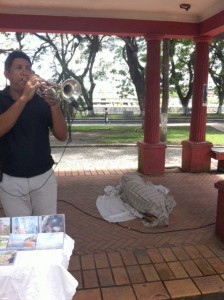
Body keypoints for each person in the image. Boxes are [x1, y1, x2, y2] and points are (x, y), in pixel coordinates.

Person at [0, 50, 68, 217]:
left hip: (44, 177)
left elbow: (62, 136)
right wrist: (24, 98)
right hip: (10, 179)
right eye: (19, 67)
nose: (25, 72)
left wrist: (54, 106)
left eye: (28, 68)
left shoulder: (41, 101)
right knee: (21, 234)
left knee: (47, 232)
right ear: (7, 74)